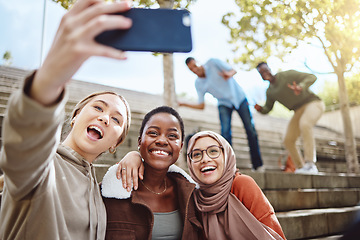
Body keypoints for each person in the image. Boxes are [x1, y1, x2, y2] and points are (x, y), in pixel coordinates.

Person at [0, 0, 133, 239]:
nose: (104, 118)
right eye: (98, 107)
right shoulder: (41, 166)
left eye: (116, 119)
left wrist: (137, 156)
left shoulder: (99, 188)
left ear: (116, 144)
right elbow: (25, 146)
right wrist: (49, 81)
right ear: (75, 117)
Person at [101, 106, 204, 240]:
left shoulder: (191, 194)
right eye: (153, 133)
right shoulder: (110, 193)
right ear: (139, 141)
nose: (161, 141)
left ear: (181, 147)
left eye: (172, 136)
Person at [186, 131, 286, 240]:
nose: (205, 159)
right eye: (196, 154)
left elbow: (273, 233)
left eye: (213, 151)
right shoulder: (196, 198)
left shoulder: (242, 184)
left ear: (226, 155)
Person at [178, 57, 264, 171]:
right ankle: (229, 166)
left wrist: (229, 74)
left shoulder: (213, 63)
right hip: (224, 103)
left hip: (239, 98)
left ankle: (257, 165)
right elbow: (201, 106)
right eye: (191, 69)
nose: (194, 69)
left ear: (199, 62)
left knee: (250, 130)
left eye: (194, 66)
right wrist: (183, 104)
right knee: (225, 133)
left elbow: (234, 70)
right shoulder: (198, 83)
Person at [255, 62, 325, 174]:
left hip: (313, 103)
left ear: (269, 69)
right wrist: (260, 109)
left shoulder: (286, 75)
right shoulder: (270, 92)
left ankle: (310, 164)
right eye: (261, 73)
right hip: (297, 110)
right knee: (288, 140)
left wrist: (301, 86)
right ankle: (301, 167)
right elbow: (268, 108)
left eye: (265, 70)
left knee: (305, 124)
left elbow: (312, 77)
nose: (265, 73)